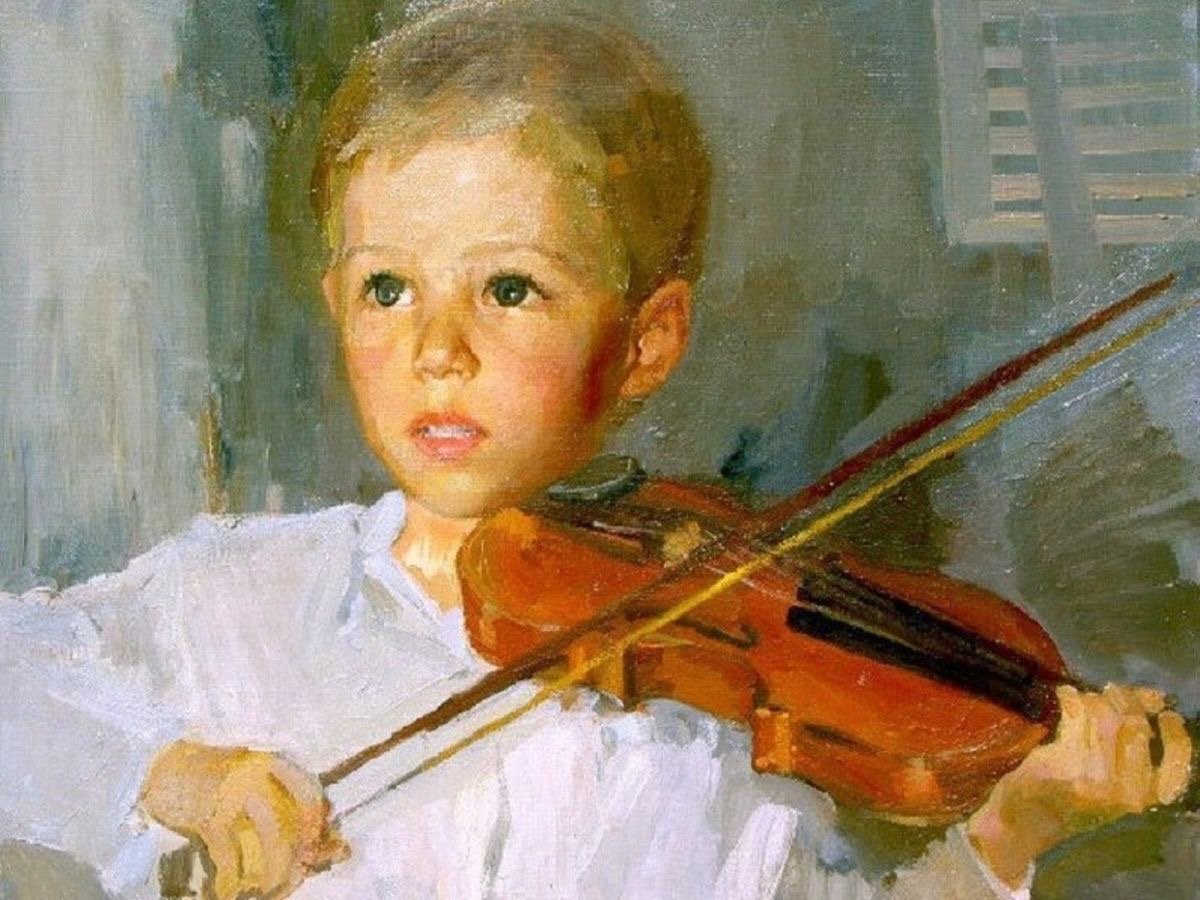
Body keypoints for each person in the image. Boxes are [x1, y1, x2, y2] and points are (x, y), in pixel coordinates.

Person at [0, 3, 1191, 898]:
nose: (438, 350)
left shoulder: (710, 737)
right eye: (388, 290)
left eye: (510, 288)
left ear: (645, 343)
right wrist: (181, 779)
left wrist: (1011, 833)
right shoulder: (239, 599)